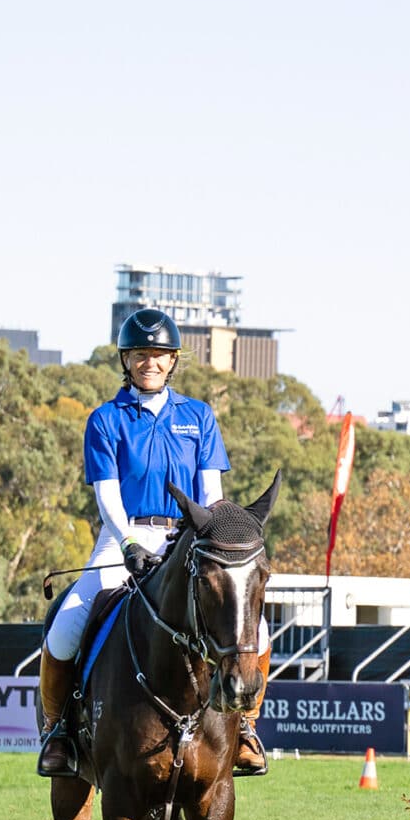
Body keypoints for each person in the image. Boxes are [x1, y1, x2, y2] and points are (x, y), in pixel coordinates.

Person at [38, 307, 270, 778]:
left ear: (173, 360)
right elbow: (107, 494)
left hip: (190, 537)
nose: (151, 362)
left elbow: (211, 495)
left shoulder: (198, 416)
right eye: (141, 354)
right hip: (124, 534)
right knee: (66, 625)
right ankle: (59, 730)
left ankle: (243, 725)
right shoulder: (106, 420)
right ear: (126, 360)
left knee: (257, 632)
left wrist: (213, 538)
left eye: (160, 354)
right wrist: (126, 542)